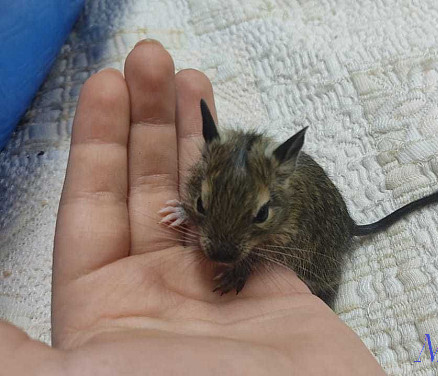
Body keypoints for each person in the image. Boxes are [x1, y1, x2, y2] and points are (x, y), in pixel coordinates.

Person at [0, 39, 384, 375]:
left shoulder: (283, 200)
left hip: (319, 249)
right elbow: (204, 197)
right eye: (204, 205)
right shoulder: (207, 166)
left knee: (317, 277)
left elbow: (281, 238)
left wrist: (243, 270)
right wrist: (190, 210)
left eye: (259, 216)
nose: (216, 248)